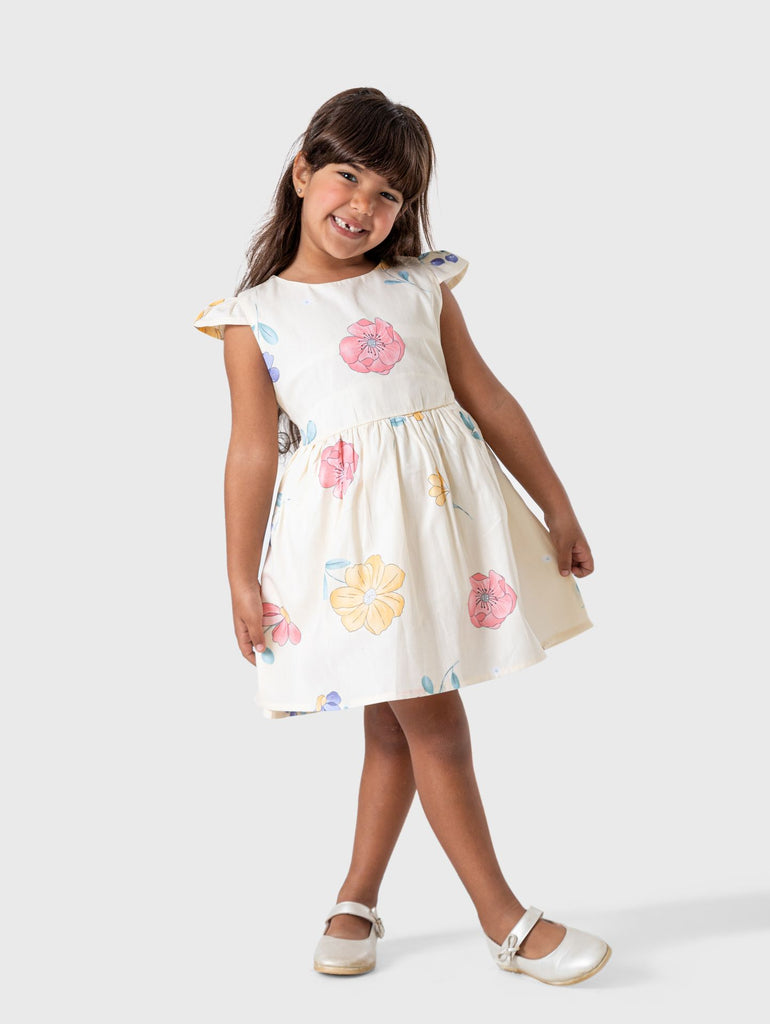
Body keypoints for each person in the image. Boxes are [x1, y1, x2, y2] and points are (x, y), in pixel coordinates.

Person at [192, 86, 611, 985]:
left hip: (438, 535)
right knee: (435, 723)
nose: (364, 206)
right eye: (347, 177)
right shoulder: (254, 318)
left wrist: (557, 504)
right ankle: (504, 919)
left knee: (396, 726)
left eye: (390, 194)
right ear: (302, 172)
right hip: (355, 559)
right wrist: (238, 576)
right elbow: (251, 454)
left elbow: (486, 397)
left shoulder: (420, 286)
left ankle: (355, 899)